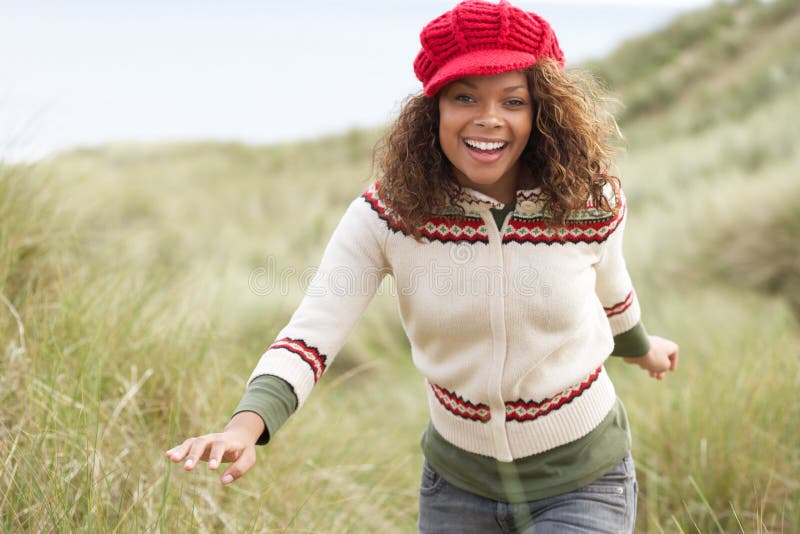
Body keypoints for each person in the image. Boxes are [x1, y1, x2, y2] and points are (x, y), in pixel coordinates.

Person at [166, 1, 679, 532]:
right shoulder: (390, 213)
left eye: (513, 100)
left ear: (541, 111)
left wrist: (643, 349)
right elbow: (313, 330)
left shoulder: (587, 201)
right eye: (464, 97)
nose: (488, 118)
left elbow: (611, 290)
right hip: (458, 489)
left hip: (584, 480)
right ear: (434, 107)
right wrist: (246, 427)